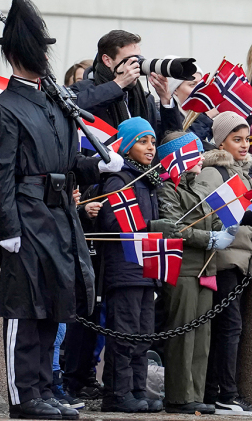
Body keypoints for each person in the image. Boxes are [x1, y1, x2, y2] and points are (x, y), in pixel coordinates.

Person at [0, 0, 123, 420]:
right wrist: (6, 225)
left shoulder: (54, 105)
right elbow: (2, 173)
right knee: (23, 307)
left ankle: (44, 389)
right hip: (25, 213)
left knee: (54, 301)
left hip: (57, 214)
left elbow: (65, 164)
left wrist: (98, 164)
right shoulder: (6, 107)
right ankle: (23, 395)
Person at [97, 117, 177, 413]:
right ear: (128, 146)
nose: (150, 147)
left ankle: (136, 390)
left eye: (153, 142)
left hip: (146, 268)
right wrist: (152, 225)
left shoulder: (148, 179)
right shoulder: (120, 178)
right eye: (143, 141)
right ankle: (117, 394)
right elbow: (110, 221)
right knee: (125, 334)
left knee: (143, 335)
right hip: (125, 268)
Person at [157, 132, 236, 415]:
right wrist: (209, 238)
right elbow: (173, 227)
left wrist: (228, 225)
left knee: (202, 336)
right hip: (184, 269)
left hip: (206, 268)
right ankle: (179, 395)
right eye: (194, 153)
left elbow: (214, 218)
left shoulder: (198, 190)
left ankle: (196, 392)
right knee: (183, 334)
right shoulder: (169, 189)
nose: (200, 158)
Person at [199, 112, 252, 416]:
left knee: (228, 327)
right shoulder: (214, 172)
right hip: (222, 260)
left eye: (246, 139)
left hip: (239, 259)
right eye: (236, 139)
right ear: (220, 141)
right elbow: (206, 213)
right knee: (228, 326)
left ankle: (216, 392)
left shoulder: (244, 173)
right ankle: (226, 393)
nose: (243, 145)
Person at [70, 30, 182, 142]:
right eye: (130, 60)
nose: (136, 65)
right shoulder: (83, 89)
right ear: (107, 60)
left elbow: (170, 141)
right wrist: (118, 84)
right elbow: (72, 107)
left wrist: (166, 100)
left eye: (138, 59)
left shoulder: (145, 99)